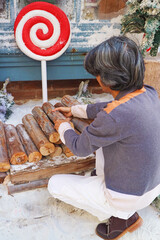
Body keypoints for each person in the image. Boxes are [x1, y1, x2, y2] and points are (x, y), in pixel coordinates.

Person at [48, 36, 160, 240]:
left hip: (127, 196)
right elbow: (110, 108)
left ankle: (121, 218)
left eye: (97, 74)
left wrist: (63, 126)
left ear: (105, 79)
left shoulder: (113, 116)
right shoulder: (149, 93)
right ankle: (117, 204)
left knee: (54, 184)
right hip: (151, 185)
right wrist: (76, 110)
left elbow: (79, 147)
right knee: (103, 145)